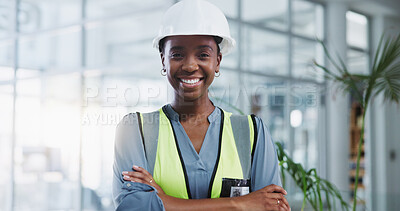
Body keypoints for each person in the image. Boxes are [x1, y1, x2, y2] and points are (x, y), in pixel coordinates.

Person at [112, 0, 290, 210]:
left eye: (203, 55)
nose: (189, 65)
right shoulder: (136, 129)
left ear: (218, 61)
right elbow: (132, 206)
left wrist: (164, 202)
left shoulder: (252, 132)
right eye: (177, 54)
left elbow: (272, 206)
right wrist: (240, 203)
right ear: (163, 61)